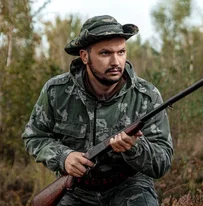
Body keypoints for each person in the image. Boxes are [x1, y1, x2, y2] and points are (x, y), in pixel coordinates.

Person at [22, 15, 173, 206]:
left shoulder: (147, 96)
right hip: (77, 189)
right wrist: (63, 157)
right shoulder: (57, 91)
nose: (116, 62)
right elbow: (34, 137)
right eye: (105, 53)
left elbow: (163, 163)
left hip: (129, 186)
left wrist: (135, 148)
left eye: (121, 52)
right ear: (85, 56)